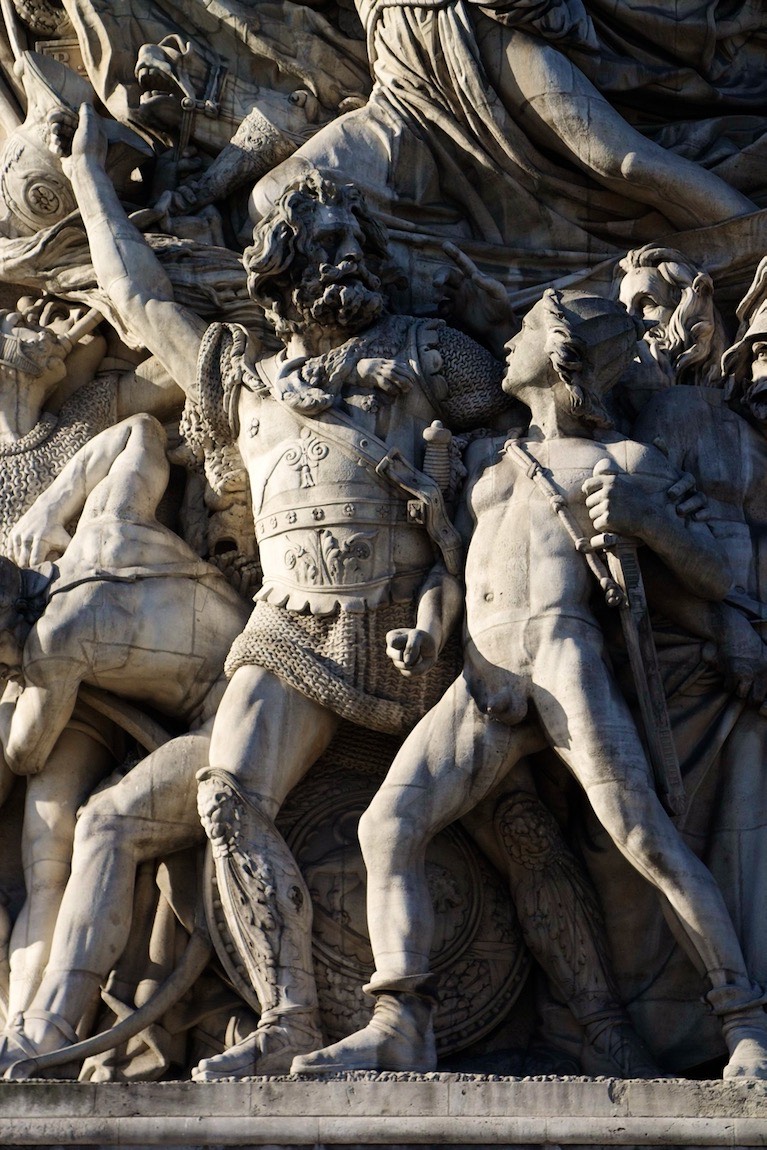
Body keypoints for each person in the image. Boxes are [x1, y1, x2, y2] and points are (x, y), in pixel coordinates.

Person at [292, 289, 767, 1081]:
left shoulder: (625, 463)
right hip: (484, 671)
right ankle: (401, 1018)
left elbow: (721, 569)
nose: (506, 341)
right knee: (388, 824)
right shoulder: (487, 460)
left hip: (560, 657)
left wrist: (651, 520)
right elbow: (456, 572)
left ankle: (745, 1024)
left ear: (565, 352)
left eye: (525, 330)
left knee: (645, 838)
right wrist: (427, 630)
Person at [0, 413, 248, 1068]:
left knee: (104, 825)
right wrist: (53, 507)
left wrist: (17, 699)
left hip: (233, 719)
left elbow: (24, 753)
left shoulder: (53, 648)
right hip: (256, 664)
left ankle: (48, 1033)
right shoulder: (104, 526)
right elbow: (139, 429)